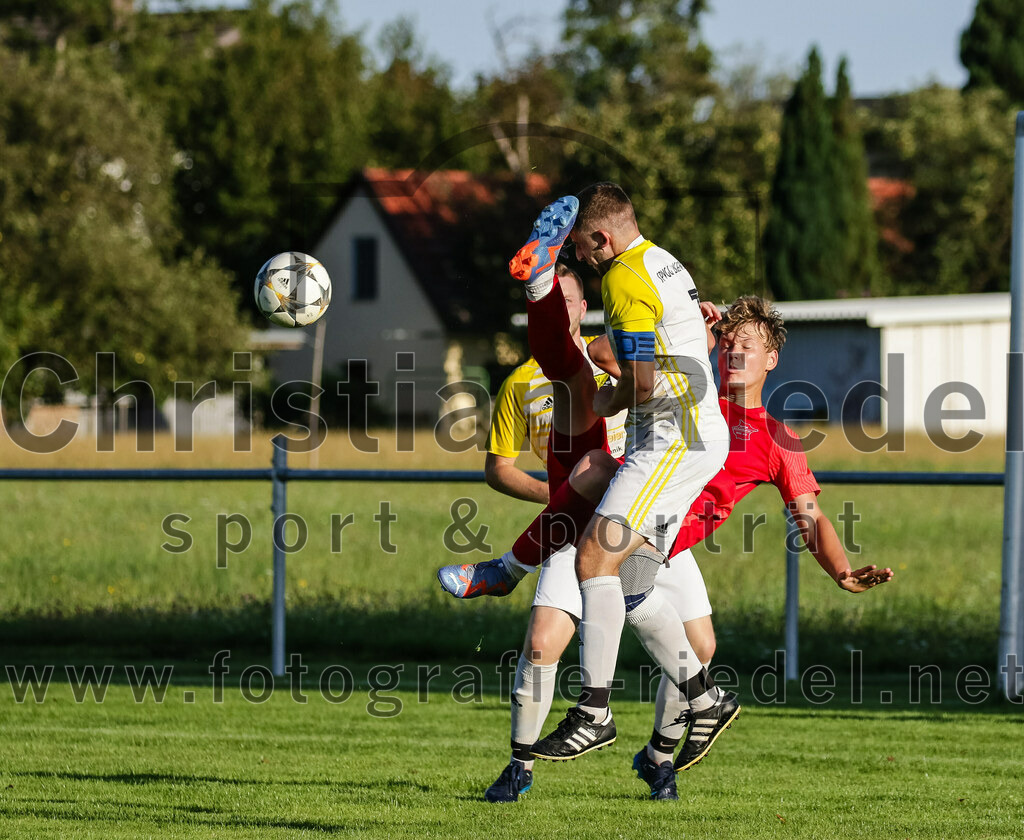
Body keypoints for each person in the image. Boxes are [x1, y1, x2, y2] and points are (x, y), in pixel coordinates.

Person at [441, 294, 894, 784]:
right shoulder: (690, 397)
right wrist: (680, 324)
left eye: (748, 345)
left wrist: (841, 571)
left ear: (773, 360)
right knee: (564, 604)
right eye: (729, 342)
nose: (735, 352)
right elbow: (604, 355)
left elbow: (812, 516)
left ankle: (658, 753)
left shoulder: (777, 438)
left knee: (698, 644)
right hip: (624, 526)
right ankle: (573, 726)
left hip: (662, 545)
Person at [441, 202, 715, 802]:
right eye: (550, 299)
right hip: (584, 521)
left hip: (641, 513)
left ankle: (659, 756)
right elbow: (500, 469)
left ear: (582, 306)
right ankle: (521, 765)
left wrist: (699, 327)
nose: (570, 310)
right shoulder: (530, 380)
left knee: (699, 644)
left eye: (566, 298)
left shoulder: (608, 342)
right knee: (543, 640)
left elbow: (659, 364)